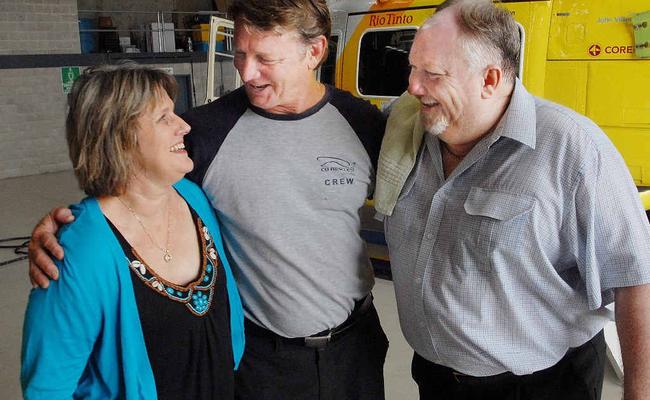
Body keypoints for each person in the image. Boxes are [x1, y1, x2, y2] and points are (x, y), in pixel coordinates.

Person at [27, 1, 389, 399]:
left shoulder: (363, 124)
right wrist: (66, 228)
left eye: (265, 58)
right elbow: (128, 181)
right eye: (240, 54)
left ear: (315, 52)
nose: (247, 73)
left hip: (356, 349)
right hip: (262, 361)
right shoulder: (206, 131)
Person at [374, 0, 650, 399]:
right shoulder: (405, 128)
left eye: (432, 74)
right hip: (435, 380)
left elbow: (635, 277)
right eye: (413, 68)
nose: (414, 87)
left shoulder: (570, 148)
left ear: (489, 79)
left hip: (542, 386)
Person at [21, 64, 245, 399]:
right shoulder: (78, 250)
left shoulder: (193, 197)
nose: (183, 126)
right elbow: (47, 389)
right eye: (163, 117)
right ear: (119, 137)